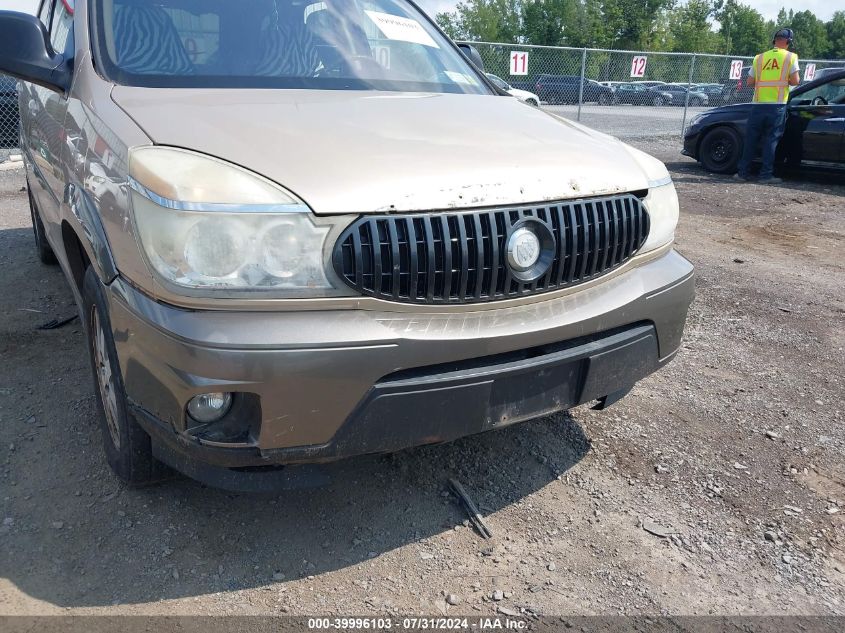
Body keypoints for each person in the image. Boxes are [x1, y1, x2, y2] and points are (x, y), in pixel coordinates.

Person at [735, 28, 800, 184]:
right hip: (777, 106)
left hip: (758, 105)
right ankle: (765, 175)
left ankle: (742, 173)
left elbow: (750, 82)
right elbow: (796, 81)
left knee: (751, 139)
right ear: (788, 41)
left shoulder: (760, 58)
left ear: (774, 40)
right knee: (771, 141)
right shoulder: (791, 57)